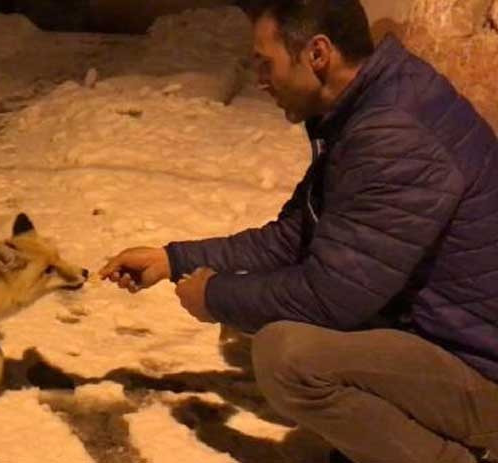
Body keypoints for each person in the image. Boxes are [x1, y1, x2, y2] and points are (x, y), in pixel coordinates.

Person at [98, 0, 498, 462]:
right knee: (286, 327)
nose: (261, 81)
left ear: (317, 54)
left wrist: (215, 298)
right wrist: (175, 259)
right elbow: (294, 237)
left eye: (266, 64)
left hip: (483, 367)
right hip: (450, 334)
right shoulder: (369, 105)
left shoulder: (392, 134)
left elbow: (331, 297)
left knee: (288, 356)